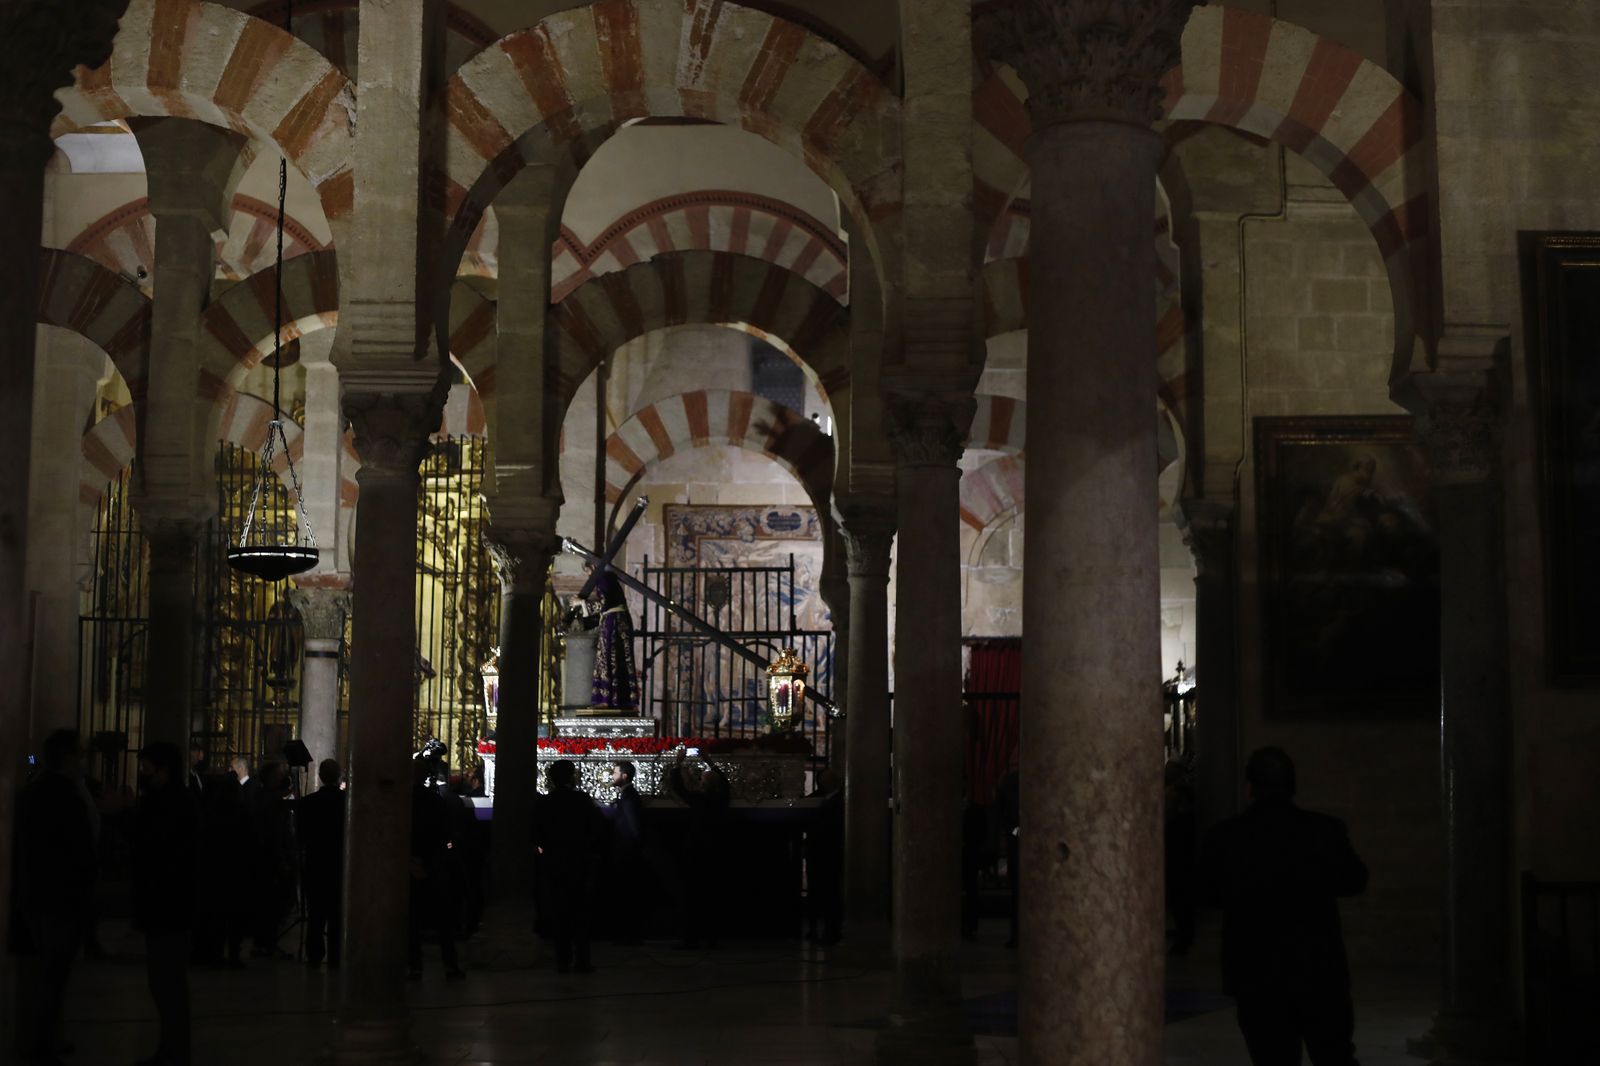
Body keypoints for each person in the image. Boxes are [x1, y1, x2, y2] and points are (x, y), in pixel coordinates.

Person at [1201, 747, 1369, 1066]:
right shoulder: (1324, 831)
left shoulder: (1226, 837)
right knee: (1335, 1056)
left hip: (1256, 973)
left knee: (1272, 1058)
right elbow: (1355, 881)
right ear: (1293, 786)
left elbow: (1208, 895)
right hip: (1318, 969)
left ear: (1249, 788)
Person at [16, 729, 98, 1066]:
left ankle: (42, 1041)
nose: (84, 760)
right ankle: (42, 1046)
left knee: (47, 976)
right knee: (53, 978)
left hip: (39, 895)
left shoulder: (34, 793)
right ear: (67, 758)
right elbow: (78, 852)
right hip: (61, 899)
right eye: (80, 753)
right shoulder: (66, 797)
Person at [131, 741, 198, 1066]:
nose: (142, 773)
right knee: (164, 983)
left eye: (146, 767)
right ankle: (171, 1048)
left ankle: (175, 1052)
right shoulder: (171, 801)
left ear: (163, 770)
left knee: (167, 983)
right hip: (166, 905)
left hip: (169, 906)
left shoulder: (170, 804)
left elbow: (159, 848)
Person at [538, 759, 607, 972]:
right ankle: (582, 960)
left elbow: (536, 833)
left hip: (555, 862)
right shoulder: (582, 800)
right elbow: (597, 827)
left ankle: (562, 960)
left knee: (559, 912)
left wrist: (546, 850)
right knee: (580, 913)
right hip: (579, 861)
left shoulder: (546, 802)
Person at [666, 749, 729, 950]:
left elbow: (679, 788)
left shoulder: (699, 800)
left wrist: (678, 764)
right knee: (712, 898)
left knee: (691, 898)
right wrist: (709, 761)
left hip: (696, 853)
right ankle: (712, 938)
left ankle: (691, 939)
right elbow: (725, 783)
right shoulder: (721, 799)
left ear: (704, 784)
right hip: (715, 853)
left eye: (702, 779)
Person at [408, 756, 463, 980]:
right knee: (443, 919)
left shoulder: (402, 800)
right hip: (433, 862)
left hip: (409, 862)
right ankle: (450, 964)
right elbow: (446, 833)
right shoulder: (436, 801)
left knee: (411, 919)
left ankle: (414, 965)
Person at [298, 758, 346, 968]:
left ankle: (315, 953)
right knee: (336, 913)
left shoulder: (308, 803)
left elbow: (301, 835)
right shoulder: (346, 802)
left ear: (320, 776)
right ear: (339, 776)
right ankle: (336, 955)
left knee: (316, 913)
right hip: (338, 863)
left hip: (315, 863)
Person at [605, 760, 648, 944]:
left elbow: (634, 826)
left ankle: (630, 935)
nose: (612, 776)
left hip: (627, 853)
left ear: (624, 776)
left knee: (628, 894)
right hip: (626, 851)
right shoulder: (627, 795)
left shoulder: (629, 797)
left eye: (615, 773)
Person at [588, 567, 637, 709]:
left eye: (588, 572)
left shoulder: (603, 578)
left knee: (608, 658)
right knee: (613, 658)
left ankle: (608, 699)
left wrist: (582, 603)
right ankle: (618, 698)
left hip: (613, 623)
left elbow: (605, 603)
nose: (589, 576)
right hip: (615, 621)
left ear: (592, 567)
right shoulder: (607, 578)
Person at [1164, 759, 1198, 955]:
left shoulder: (1176, 794)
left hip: (1178, 850)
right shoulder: (1180, 793)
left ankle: (1184, 935)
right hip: (1181, 850)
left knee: (1180, 897)